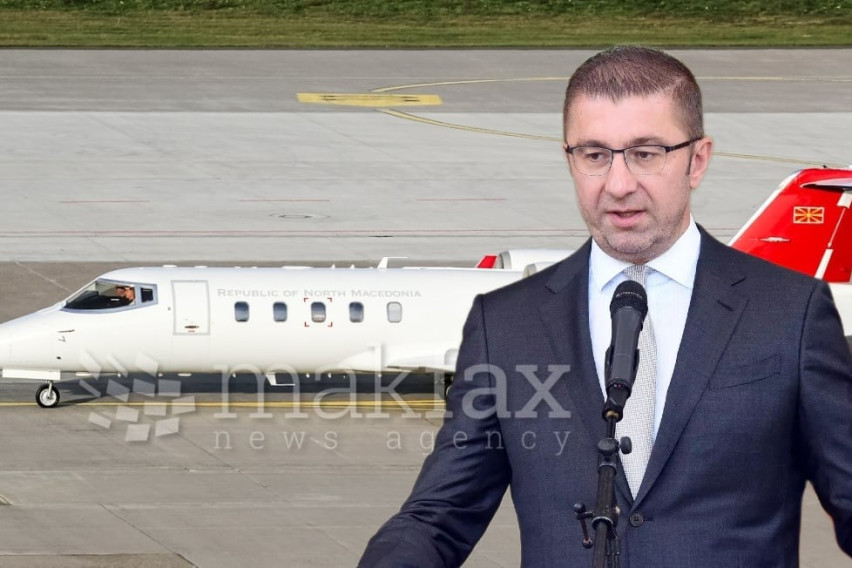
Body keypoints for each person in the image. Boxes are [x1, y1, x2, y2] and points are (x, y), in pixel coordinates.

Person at [358, 46, 852, 567]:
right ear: (569, 160)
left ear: (697, 160)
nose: (618, 185)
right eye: (595, 155)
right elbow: (439, 516)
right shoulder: (504, 325)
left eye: (646, 153)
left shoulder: (791, 313)